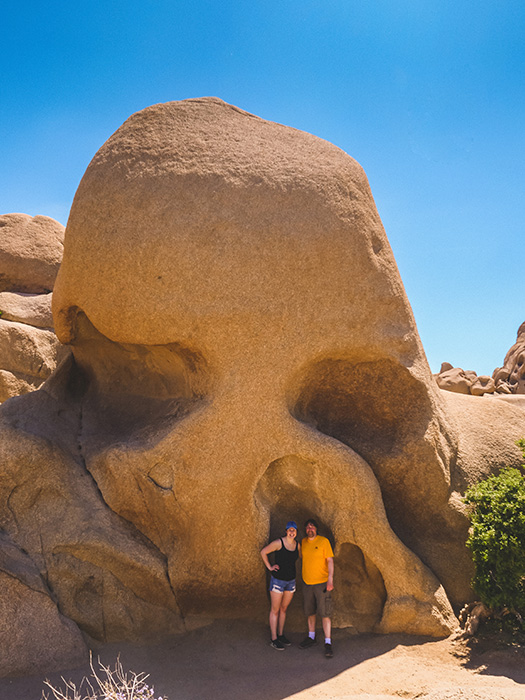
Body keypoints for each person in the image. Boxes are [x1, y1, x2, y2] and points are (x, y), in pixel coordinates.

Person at [260, 521, 300, 650]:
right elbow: (263, 552)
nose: (292, 532)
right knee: (275, 609)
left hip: (290, 581)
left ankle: (281, 634)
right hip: (278, 581)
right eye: (290, 530)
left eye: (294, 530)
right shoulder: (279, 543)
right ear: (286, 531)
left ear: (296, 532)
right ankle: (274, 638)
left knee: (283, 609)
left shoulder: (297, 546)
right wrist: (270, 567)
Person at [299, 518, 334, 658]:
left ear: (316, 529)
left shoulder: (324, 541)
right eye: (307, 527)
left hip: (322, 583)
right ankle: (311, 637)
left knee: (325, 613)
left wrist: (330, 579)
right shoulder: (303, 543)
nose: (310, 529)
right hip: (307, 583)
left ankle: (328, 642)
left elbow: (330, 560)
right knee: (310, 612)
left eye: (312, 527)